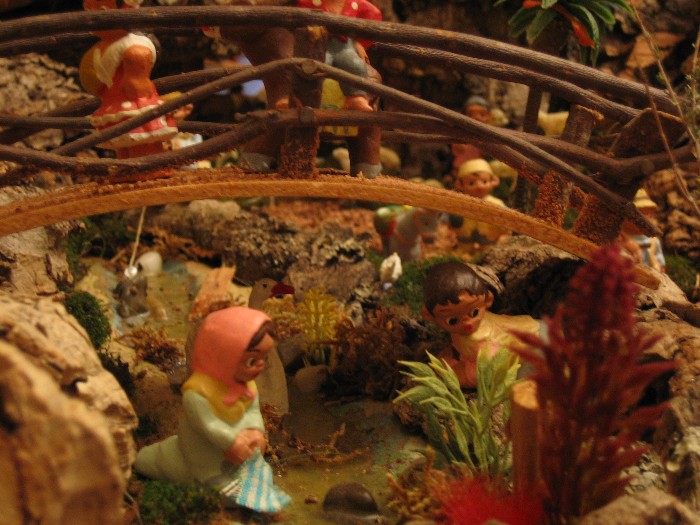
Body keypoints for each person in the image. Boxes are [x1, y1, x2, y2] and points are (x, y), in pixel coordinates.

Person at [134, 307, 290, 513]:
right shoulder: (197, 394)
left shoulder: (247, 386)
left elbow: (252, 412)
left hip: (239, 456)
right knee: (223, 490)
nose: (260, 366)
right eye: (252, 360)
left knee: (263, 476)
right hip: (205, 456)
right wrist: (232, 441)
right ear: (222, 357)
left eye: (264, 358)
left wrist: (255, 432)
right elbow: (210, 426)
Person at [80, 0, 177, 159]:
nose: (92, 17)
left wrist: (136, 83)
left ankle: (150, 164)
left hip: (134, 101)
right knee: (122, 140)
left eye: (102, 10)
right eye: (88, 11)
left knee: (141, 137)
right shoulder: (101, 48)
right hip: (113, 100)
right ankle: (126, 166)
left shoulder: (134, 44)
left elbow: (139, 71)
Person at [422, 261, 541, 388]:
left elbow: (485, 372)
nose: (467, 323)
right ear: (429, 316)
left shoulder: (481, 340)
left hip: (537, 347)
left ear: (487, 300)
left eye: (474, 313)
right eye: (452, 320)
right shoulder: (466, 330)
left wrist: (458, 373)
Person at [295, 0, 382, 112]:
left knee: (355, 64)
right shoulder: (310, 2)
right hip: (319, 46)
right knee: (316, 67)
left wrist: (360, 43)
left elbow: (373, 14)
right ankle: (304, 99)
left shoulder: (355, 4)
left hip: (345, 46)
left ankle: (355, 98)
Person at [449, 158, 510, 253]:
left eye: (484, 182)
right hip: (465, 234)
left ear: (494, 181)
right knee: (464, 250)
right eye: (471, 183)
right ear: (460, 185)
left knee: (487, 251)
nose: (479, 186)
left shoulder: (496, 203)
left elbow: (507, 215)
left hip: (488, 234)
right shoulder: (461, 202)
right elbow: (451, 213)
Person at [618, 189, 666, 273]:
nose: (646, 218)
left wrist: (659, 266)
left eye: (649, 214)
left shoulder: (654, 241)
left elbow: (661, 263)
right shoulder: (622, 238)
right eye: (642, 214)